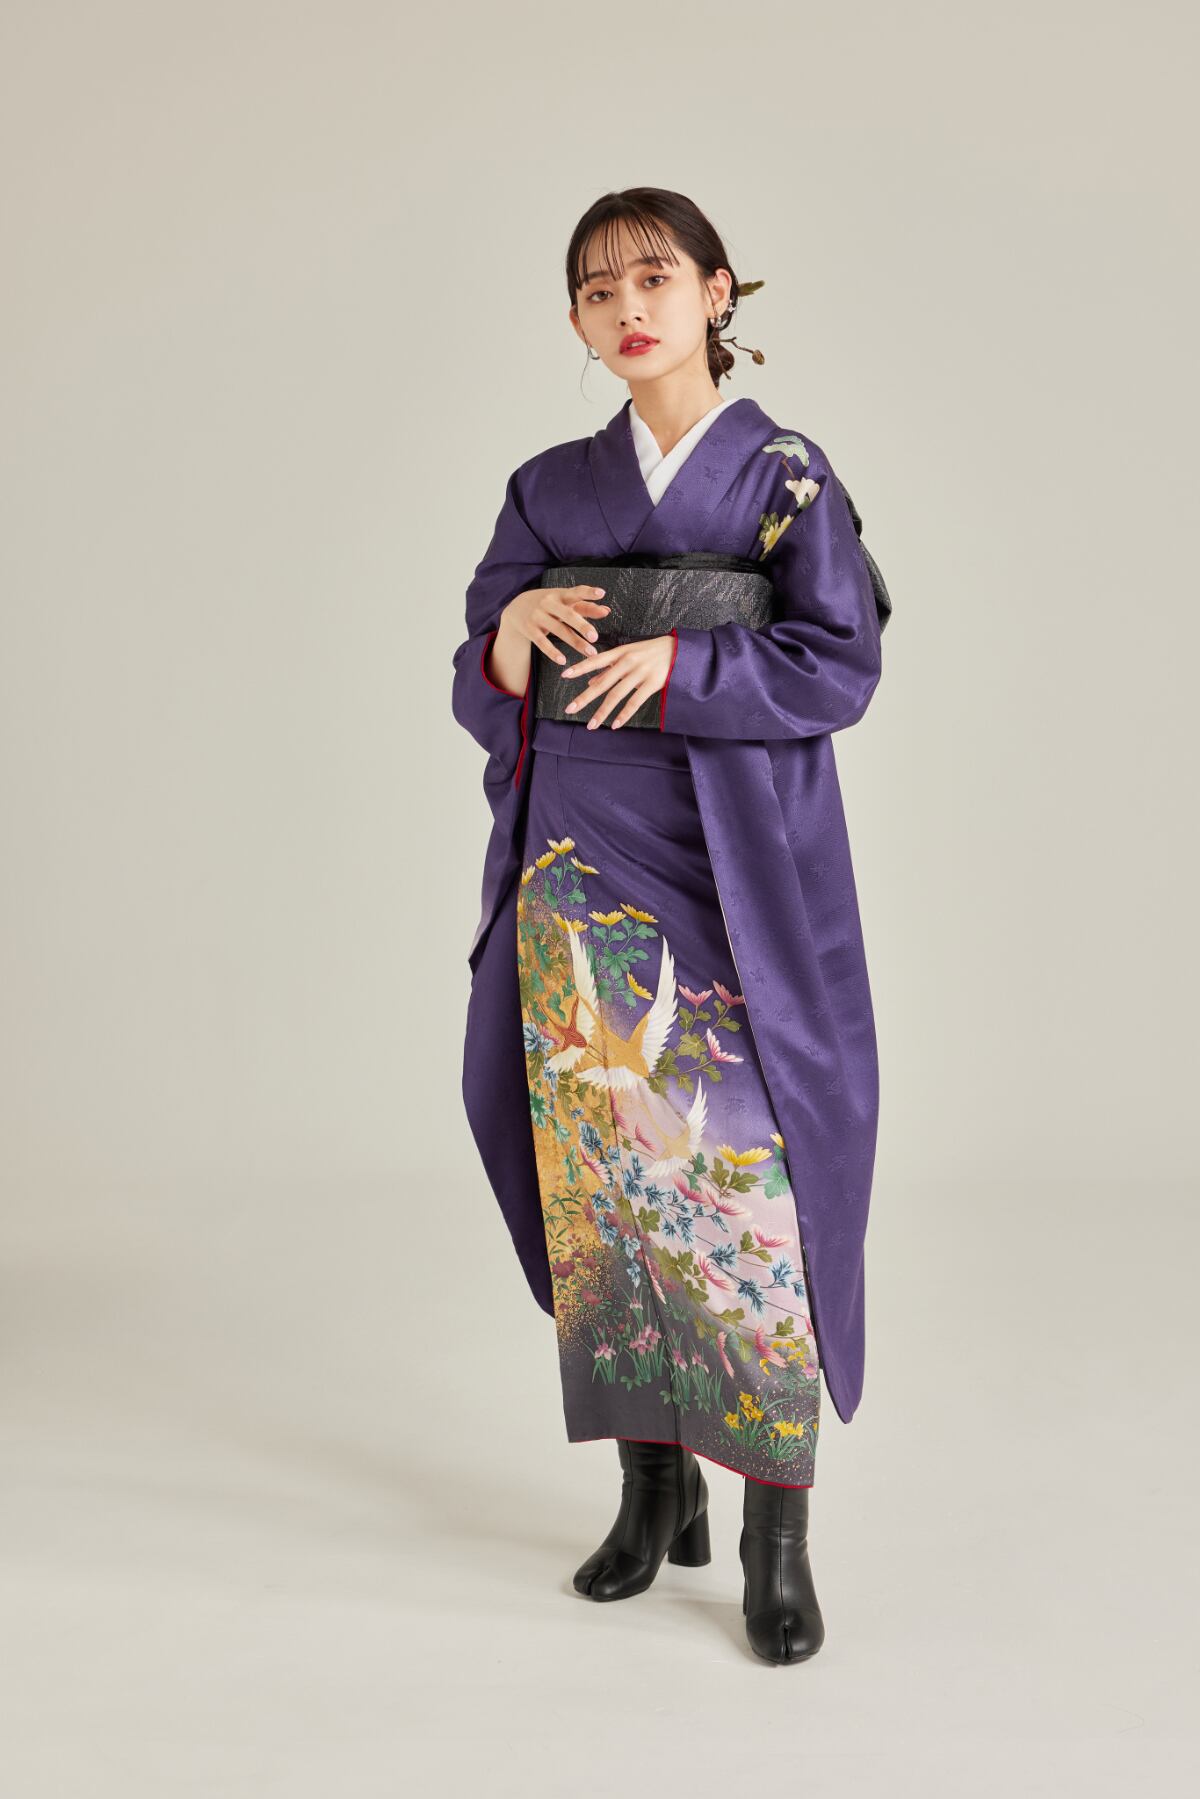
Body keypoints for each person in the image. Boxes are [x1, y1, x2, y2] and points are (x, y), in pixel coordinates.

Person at [451, 188, 889, 1664]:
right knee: (610, 1183)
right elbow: (483, 658)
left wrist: (690, 669)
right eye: (597, 289)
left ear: (717, 291)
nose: (627, 306)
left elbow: (840, 663)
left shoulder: (783, 477)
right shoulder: (546, 488)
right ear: (578, 322)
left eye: (654, 275)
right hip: (579, 860)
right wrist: (509, 644)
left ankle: (776, 1531)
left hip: (730, 862)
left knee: (747, 1186)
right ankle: (654, 1490)